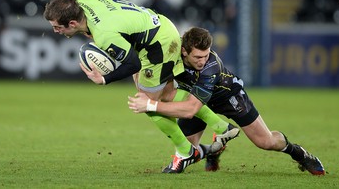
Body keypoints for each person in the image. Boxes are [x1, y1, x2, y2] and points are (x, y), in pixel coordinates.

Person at [43, 0, 239, 173]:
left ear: (72, 23)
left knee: (146, 103)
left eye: (57, 27)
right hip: (161, 26)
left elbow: (133, 64)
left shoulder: (105, 35)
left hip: (156, 47)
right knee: (168, 95)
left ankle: (186, 151)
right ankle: (222, 127)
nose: (55, 31)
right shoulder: (76, 0)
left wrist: (104, 79)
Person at [128, 27, 326, 175]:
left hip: (229, 98)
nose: (202, 61)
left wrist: (150, 105)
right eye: (198, 56)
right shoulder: (172, 52)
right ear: (184, 51)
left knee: (265, 142)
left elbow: (190, 110)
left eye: (206, 55)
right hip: (196, 98)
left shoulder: (210, 67)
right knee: (187, 149)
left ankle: (299, 154)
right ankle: (215, 148)